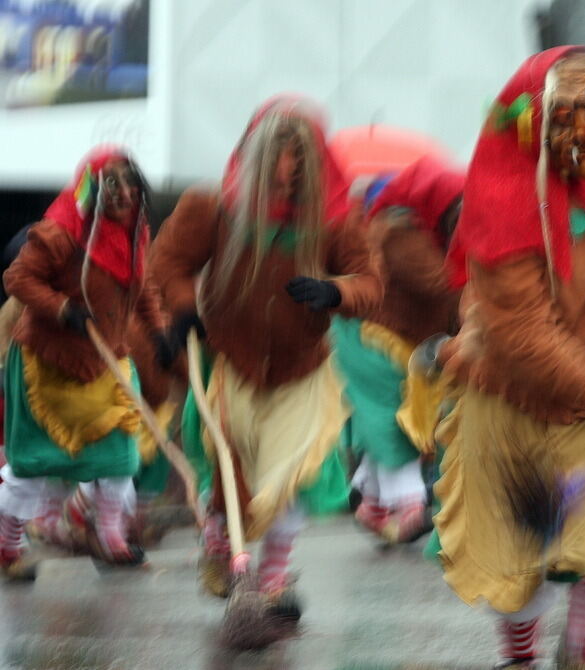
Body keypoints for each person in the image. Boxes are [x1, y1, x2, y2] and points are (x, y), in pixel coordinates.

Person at [427, 46, 585, 668]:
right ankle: (521, 660)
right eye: (568, 115)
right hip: (511, 400)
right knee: (516, 556)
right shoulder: (500, 205)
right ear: (530, 122)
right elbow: (521, 331)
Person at [151, 96, 383, 619]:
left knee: (290, 479)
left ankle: (273, 584)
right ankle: (222, 550)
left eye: (299, 158)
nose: (287, 171)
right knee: (229, 478)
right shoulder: (211, 208)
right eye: (278, 156)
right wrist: (185, 311)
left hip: (302, 371)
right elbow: (169, 263)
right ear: (255, 155)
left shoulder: (337, 222)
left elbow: (370, 284)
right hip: (230, 365)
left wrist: (334, 292)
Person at [0, 147, 167, 578]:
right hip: (49, 364)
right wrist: (61, 309)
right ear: (92, 190)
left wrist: (160, 331)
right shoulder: (60, 233)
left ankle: (110, 537)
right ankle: (8, 545)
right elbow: (16, 278)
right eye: (113, 185)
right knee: (32, 467)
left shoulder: (137, 231)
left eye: (131, 184)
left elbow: (142, 286)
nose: (125, 194)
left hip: (107, 364)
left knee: (120, 459)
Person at [333, 156, 463, 544]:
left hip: (407, 342)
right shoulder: (399, 230)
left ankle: (372, 505)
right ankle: (408, 505)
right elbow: (441, 285)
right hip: (369, 337)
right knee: (394, 420)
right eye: (459, 207)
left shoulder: (429, 230)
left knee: (401, 421)